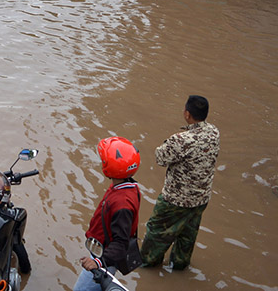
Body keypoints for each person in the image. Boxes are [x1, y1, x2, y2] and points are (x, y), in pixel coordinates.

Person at [140, 95, 220, 271]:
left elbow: (160, 157)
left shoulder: (181, 139)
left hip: (175, 200)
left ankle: (148, 264)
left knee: (156, 232)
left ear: (187, 114)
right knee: (187, 235)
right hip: (201, 199)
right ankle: (179, 267)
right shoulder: (214, 132)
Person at [73, 137, 142, 291]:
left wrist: (98, 262)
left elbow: (120, 243)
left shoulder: (122, 204)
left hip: (105, 258)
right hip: (103, 253)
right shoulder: (129, 187)